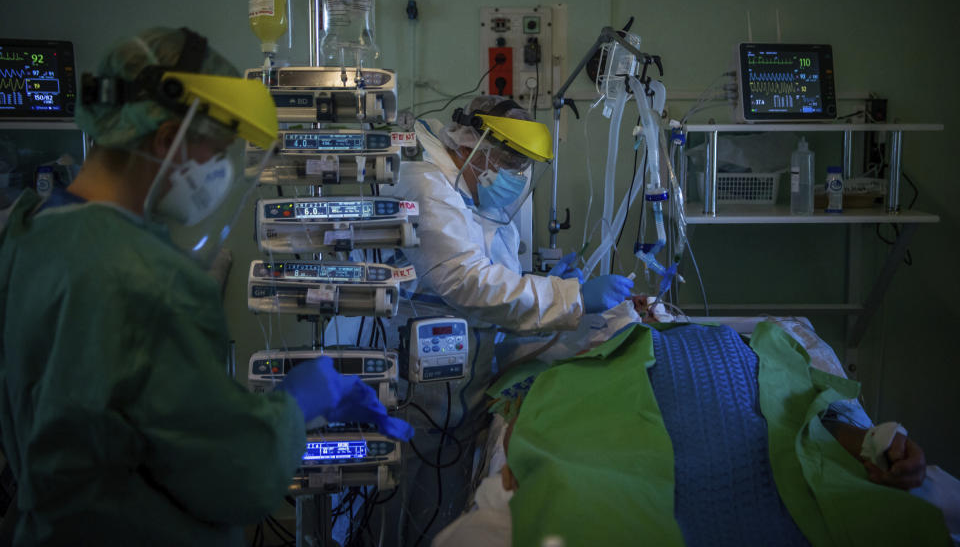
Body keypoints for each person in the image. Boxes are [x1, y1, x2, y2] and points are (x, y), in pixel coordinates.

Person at [0, 27, 411, 546]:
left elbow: (118, 412)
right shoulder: (152, 279)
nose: (223, 171)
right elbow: (241, 477)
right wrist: (299, 404)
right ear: (170, 140)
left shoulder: (27, 234)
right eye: (219, 151)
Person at [364, 96, 633, 543]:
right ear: (481, 150)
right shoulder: (427, 185)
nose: (517, 179)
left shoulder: (467, 181)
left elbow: (485, 263)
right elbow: (468, 281)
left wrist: (539, 280)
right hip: (426, 364)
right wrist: (572, 297)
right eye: (513, 167)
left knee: (446, 482)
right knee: (414, 487)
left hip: (462, 357)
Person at [434, 318, 959, 547]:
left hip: (759, 459)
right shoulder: (576, 364)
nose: (647, 307)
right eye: (636, 309)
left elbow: (810, 416)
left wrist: (881, 443)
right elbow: (526, 430)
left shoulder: (747, 348)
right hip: (626, 459)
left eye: (649, 308)